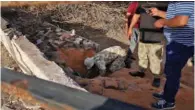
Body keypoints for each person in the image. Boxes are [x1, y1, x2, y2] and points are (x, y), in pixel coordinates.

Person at [150, 2, 194, 110]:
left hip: (180, 44)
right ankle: (166, 93)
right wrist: (158, 12)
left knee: (172, 73)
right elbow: (176, 17)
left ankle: (169, 101)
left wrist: (162, 22)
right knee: (171, 71)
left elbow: (181, 21)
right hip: (177, 43)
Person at [128, 2, 167, 88]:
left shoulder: (164, 4)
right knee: (142, 56)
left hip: (156, 37)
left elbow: (170, 16)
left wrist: (159, 12)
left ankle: (157, 78)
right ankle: (141, 72)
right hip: (143, 36)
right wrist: (130, 27)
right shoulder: (141, 3)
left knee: (155, 59)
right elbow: (136, 15)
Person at [124, 1, 140, 68]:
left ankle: (129, 58)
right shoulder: (135, 4)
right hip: (136, 27)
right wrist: (127, 28)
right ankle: (127, 61)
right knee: (134, 44)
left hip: (138, 27)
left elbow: (127, 16)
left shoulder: (134, 3)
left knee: (134, 43)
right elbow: (127, 16)